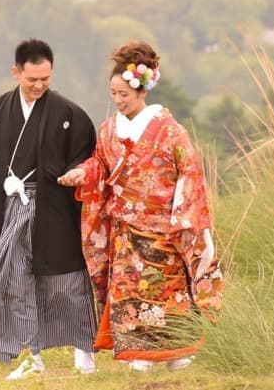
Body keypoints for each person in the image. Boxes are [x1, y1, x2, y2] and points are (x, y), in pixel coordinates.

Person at [58, 40, 223, 371]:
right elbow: (99, 166)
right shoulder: (108, 131)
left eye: (124, 95)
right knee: (132, 291)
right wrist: (81, 173)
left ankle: (176, 350)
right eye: (114, 93)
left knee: (168, 290)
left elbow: (190, 173)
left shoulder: (169, 130)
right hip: (126, 230)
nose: (118, 101)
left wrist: (186, 220)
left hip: (164, 226)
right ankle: (138, 353)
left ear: (142, 91)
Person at [0, 38, 99, 380]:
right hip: (11, 208)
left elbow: (87, 156)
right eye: (32, 79)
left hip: (54, 209)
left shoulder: (68, 113)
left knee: (68, 282)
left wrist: (78, 173)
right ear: (16, 72)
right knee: (17, 280)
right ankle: (32, 355)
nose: (39, 85)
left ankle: (85, 352)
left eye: (45, 79)